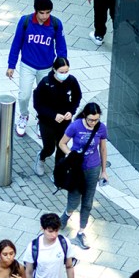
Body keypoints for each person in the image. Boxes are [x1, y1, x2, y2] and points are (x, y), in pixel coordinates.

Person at [7, 0, 67, 137]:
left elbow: (61, 47)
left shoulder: (56, 24)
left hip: (46, 67)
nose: (45, 16)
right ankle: (24, 115)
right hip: (27, 65)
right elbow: (16, 43)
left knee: (46, 98)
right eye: (42, 12)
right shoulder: (25, 21)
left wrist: (62, 67)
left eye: (48, 12)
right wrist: (11, 65)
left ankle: (42, 120)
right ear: (36, 11)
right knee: (24, 95)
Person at [58, 103, 107, 249]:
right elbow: (62, 143)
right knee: (73, 200)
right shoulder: (75, 126)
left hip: (93, 168)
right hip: (77, 169)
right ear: (85, 116)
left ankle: (81, 231)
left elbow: (103, 149)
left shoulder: (101, 128)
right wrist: (71, 155)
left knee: (88, 201)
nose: (93, 123)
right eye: (91, 120)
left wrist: (104, 171)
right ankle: (66, 215)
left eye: (96, 119)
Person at [33, 57, 81, 177]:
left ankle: (58, 174)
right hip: (47, 121)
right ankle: (41, 157)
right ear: (54, 70)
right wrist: (53, 115)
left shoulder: (72, 81)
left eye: (66, 71)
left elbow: (77, 97)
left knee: (61, 147)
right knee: (49, 148)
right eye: (61, 72)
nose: (64, 74)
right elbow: (38, 104)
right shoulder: (45, 83)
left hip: (64, 122)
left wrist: (71, 111)